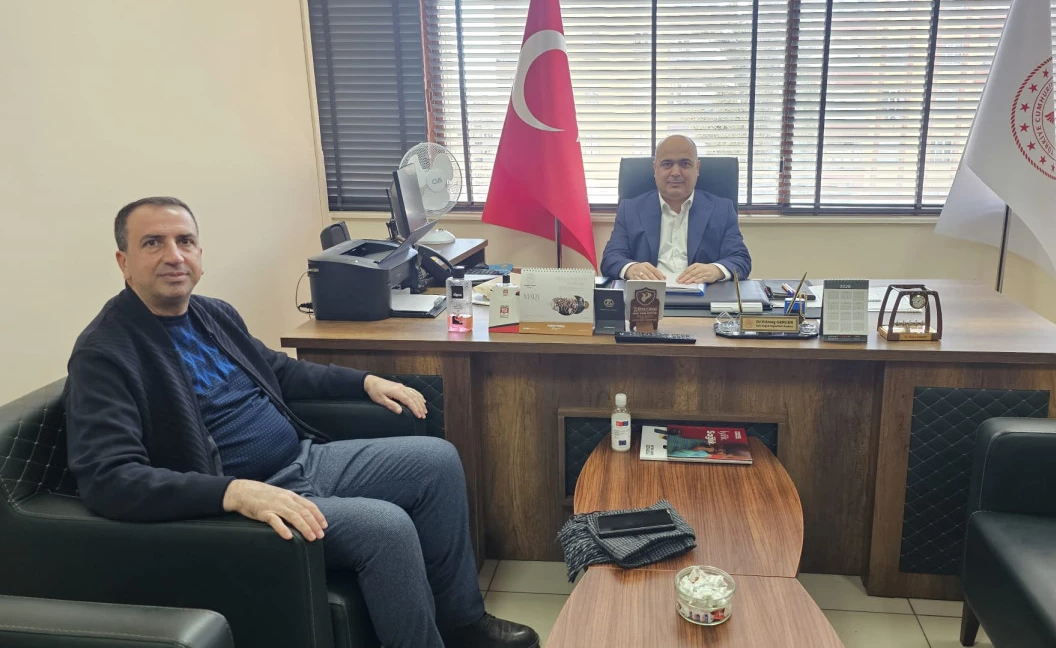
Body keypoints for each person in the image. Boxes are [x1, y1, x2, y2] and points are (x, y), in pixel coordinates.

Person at [64, 197, 538, 648]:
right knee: (386, 527)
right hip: (240, 505)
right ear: (124, 262)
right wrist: (235, 493)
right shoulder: (106, 353)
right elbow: (108, 479)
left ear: (200, 254)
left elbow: (280, 371)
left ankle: (460, 622)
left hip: (302, 460)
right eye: (153, 243)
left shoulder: (211, 314)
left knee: (437, 460)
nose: (174, 255)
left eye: (184, 241)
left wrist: (364, 381)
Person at [600, 135, 752, 283]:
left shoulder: (722, 210)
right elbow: (610, 259)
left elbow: (741, 259)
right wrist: (631, 269)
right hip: (648, 295)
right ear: (655, 168)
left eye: (685, 164)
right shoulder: (630, 209)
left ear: (697, 168)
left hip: (703, 295)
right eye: (667, 164)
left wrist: (716, 270)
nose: (675, 173)